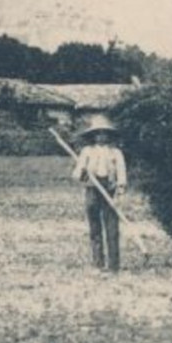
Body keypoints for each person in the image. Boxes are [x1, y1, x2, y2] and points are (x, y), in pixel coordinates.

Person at [71, 115, 127, 273]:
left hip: (109, 189)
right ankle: (98, 263)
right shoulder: (87, 151)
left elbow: (121, 174)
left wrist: (120, 190)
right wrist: (83, 173)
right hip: (92, 189)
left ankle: (113, 265)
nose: (101, 136)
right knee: (95, 227)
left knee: (112, 228)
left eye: (104, 133)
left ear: (109, 135)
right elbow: (76, 173)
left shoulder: (116, 153)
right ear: (93, 136)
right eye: (98, 133)